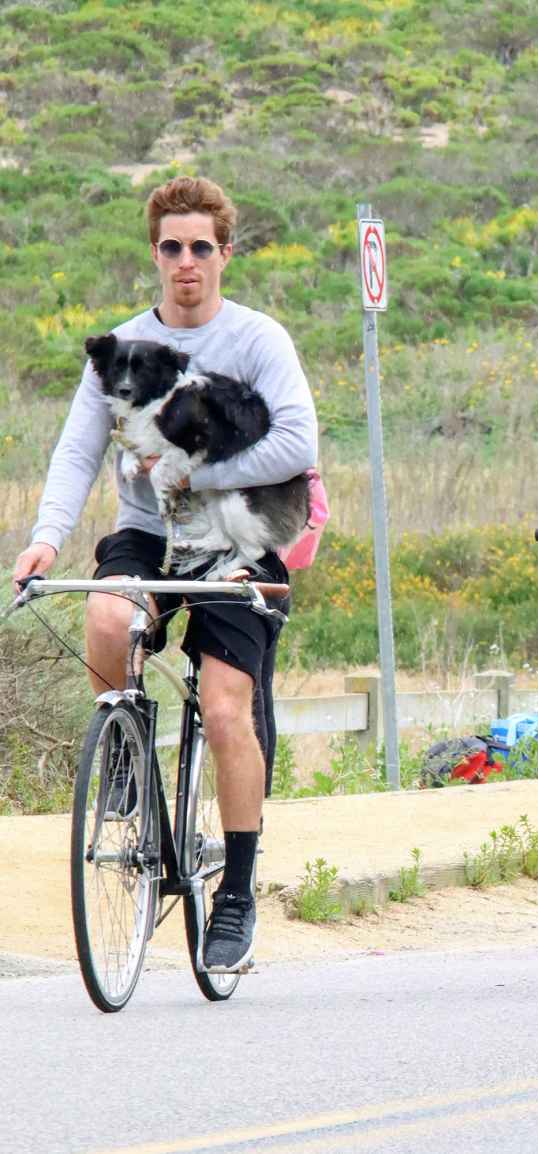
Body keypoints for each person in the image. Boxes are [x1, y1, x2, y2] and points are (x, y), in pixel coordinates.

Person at [13, 176, 318, 971]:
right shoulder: (120, 347)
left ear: (224, 254)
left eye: (202, 248)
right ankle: (127, 760)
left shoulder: (259, 340)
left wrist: (192, 478)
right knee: (107, 619)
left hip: (235, 536)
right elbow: (80, 451)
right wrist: (46, 539)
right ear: (156, 254)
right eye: (172, 248)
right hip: (149, 533)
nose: (187, 262)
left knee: (225, 712)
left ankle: (238, 896)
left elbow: (297, 447)